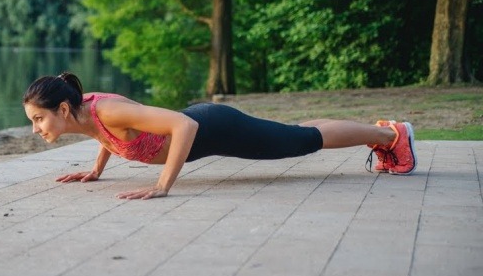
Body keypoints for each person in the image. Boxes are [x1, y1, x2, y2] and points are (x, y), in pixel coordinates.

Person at [23, 72, 417, 200]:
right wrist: (96, 170)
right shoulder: (83, 111)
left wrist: (162, 185)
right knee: (294, 134)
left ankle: (390, 135)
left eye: (38, 119)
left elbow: (185, 126)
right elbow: (106, 136)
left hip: (214, 127)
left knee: (300, 141)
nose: (36, 129)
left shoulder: (105, 109)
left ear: (61, 110)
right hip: (211, 126)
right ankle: (381, 134)